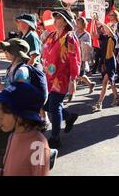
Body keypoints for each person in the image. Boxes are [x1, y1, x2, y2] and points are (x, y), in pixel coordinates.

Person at [0, 38, 33, 168]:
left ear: (16, 52)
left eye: (8, 50)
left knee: (1, 144)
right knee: (12, 141)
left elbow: (17, 94)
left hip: (16, 114)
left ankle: (0, 166)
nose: (5, 52)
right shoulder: (11, 68)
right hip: (9, 112)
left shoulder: (22, 71)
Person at [42, 9, 80, 149]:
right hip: (48, 76)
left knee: (54, 106)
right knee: (47, 105)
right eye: (55, 17)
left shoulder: (69, 37)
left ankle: (55, 137)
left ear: (65, 21)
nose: (55, 19)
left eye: (58, 17)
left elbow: (74, 58)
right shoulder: (52, 35)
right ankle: (69, 117)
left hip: (61, 77)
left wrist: (73, 79)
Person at [90, 16, 119, 112]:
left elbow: (111, 32)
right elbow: (93, 34)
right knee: (110, 82)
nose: (103, 28)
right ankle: (117, 98)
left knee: (105, 82)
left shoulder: (113, 37)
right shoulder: (103, 37)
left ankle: (99, 103)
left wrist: (101, 22)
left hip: (111, 62)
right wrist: (93, 22)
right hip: (104, 62)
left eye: (105, 28)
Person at [76, 17, 96, 94]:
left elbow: (89, 46)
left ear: (83, 24)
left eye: (79, 23)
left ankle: (71, 92)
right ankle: (90, 84)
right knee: (77, 74)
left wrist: (81, 43)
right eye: (77, 23)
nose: (77, 25)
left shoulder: (87, 34)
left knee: (79, 74)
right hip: (75, 55)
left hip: (82, 57)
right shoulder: (76, 32)